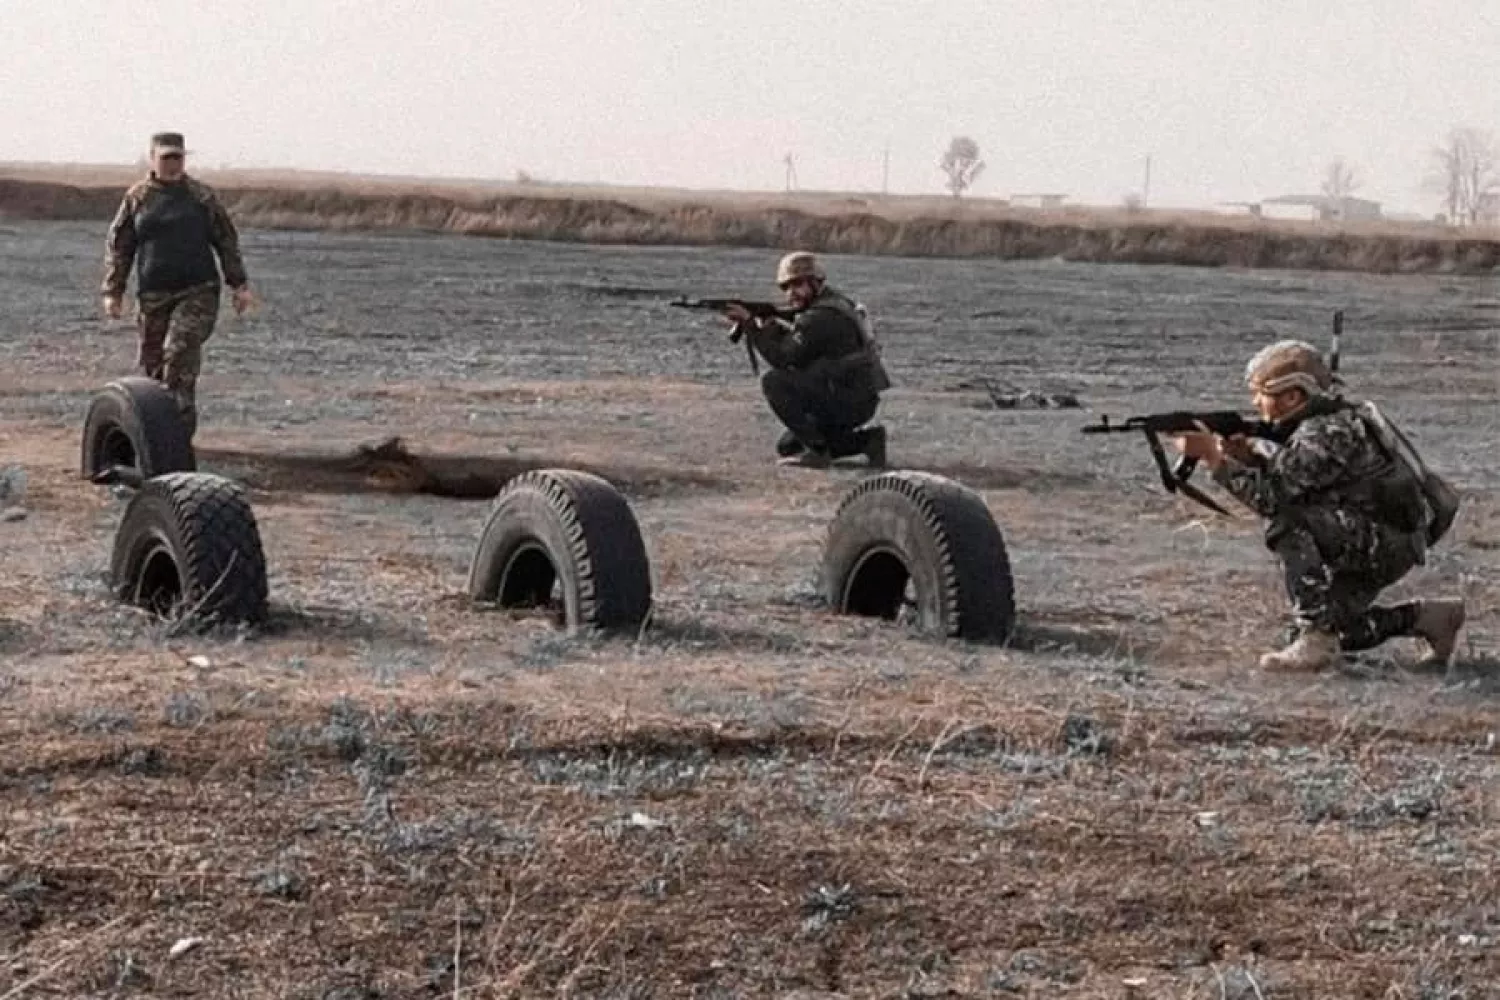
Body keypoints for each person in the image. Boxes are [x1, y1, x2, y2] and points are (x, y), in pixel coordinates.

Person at [1170, 339, 1465, 673]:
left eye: (1261, 394)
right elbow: (1294, 475)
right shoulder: (1327, 423)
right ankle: (1430, 618)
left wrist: (1214, 459)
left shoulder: (1326, 432)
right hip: (1384, 538)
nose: (1255, 402)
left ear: (1293, 396)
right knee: (1334, 631)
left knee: (1288, 525)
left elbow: (1273, 499)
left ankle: (1316, 638)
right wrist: (1245, 456)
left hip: (1382, 542)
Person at [101, 131, 253, 439]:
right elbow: (120, 246)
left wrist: (239, 285)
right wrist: (113, 291)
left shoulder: (201, 197)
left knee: (180, 352)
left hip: (197, 289)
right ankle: (152, 435)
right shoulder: (138, 197)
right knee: (152, 366)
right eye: (166, 158)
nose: (173, 164)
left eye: (178, 158)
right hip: (153, 293)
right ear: (152, 158)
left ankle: (179, 435)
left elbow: (226, 241)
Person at [724, 251, 891, 468]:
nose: (791, 293)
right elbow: (804, 349)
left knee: (774, 382)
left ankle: (818, 452)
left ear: (815, 282)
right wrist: (770, 328)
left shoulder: (820, 317)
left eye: (797, 285)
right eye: (786, 288)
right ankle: (867, 441)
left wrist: (751, 326)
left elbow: (783, 358)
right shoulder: (833, 304)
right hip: (854, 395)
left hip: (847, 399)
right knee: (788, 446)